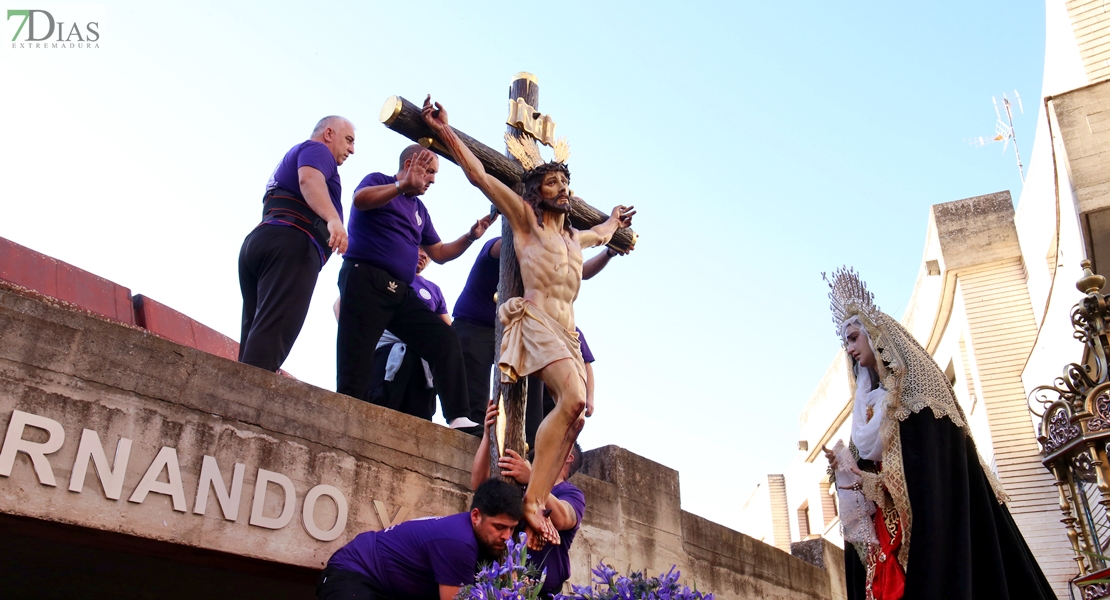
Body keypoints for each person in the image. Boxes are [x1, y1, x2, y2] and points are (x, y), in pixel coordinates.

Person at [421, 95, 634, 546]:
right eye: (553, 183)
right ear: (538, 192)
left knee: (575, 414)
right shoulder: (525, 223)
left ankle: (534, 501)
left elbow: (606, 233)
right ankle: (534, 503)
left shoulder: (578, 239)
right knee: (573, 396)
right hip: (534, 320)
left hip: (566, 332)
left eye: (565, 182)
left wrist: (615, 221)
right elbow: (479, 176)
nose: (562, 189)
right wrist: (445, 133)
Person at [821, 267, 1054, 600]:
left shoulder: (918, 402)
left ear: (876, 335)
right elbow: (874, 482)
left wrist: (869, 480)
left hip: (930, 533)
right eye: (846, 343)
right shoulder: (866, 412)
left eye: (854, 338)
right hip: (891, 538)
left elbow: (928, 481)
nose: (850, 349)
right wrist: (846, 470)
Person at [336, 144, 495, 430]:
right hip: (365, 279)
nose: (432, 179)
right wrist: (401, 186)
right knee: (356, 360)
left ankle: (458, 416)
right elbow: (361, 200)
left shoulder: (419, 210)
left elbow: (441, 253)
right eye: (429, 171)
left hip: (400, 290)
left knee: (445, 339)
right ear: (411, 164)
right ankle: (348, 414)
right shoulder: (379, 181)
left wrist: (471, 236)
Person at [453, 239, 619, 436]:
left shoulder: (548, 265)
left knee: (532, 381)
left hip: (518, 328)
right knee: (475, 392)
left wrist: (608, 252)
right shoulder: (505, 243)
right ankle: (474, 434)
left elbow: (578, 271)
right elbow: (509, 245)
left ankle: (529, 440)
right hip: (474, 323)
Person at [238, 116, 354, 372]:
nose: (352, 149)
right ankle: (242, 406)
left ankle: (234, 396)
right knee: (273, 333)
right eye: (348, 140)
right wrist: (333, 219)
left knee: (256, 331)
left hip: (264, 239)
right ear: (328, 134)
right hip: (293, 243)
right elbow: (309, 180)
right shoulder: (317, 149)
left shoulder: (298, 153)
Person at [317, 478, 522, 600]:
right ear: (476, 516)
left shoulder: (475, 538)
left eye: (512, 529)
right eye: (499, 527)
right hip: (354, 575)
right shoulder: (459, 542)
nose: (506, 537)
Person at [470, 400, 586, 598]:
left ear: (568, 456)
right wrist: (489, 434)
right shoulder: (518, 478)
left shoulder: (571, 493)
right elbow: (479, 486)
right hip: (496, 586)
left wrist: (533, 478)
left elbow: (563, 518)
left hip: (541, 592)